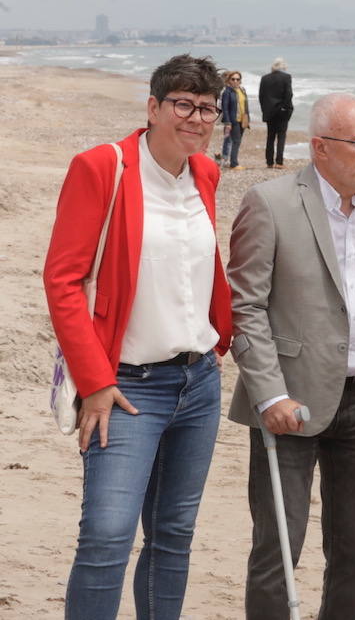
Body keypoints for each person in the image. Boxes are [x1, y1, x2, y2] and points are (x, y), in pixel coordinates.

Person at [43, 53, 232, 619]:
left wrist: (216, 342)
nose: (196, 118)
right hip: (125, 389)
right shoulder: (103, 167)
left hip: (197, 384)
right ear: (152, 107)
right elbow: (63, 279)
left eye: (207, 108)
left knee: (173, 535)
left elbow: (196, 269)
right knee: (106, 536)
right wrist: (95, 382)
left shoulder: (206, 173)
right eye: (182, 104)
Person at [227, 92, 355, 620]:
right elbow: (244, 308)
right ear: (319, 148)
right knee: (278, 550)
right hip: (288, 403)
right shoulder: (270, 203)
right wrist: (269, 393)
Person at [259, 57, 293, 169]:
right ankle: (279, 162)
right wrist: (286, 109)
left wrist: (264, 109)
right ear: (283, 67)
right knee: (281, 137)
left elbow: (261, 96)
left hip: (269, 112)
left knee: (270, 137)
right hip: (282, 112)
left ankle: (269, 162)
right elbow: (288, 95)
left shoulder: (265, 78)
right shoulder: (286, 77)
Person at [218, 70, 250, 170]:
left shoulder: (242, 90)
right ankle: (234, 163)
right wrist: (227, 122)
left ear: (240, 80)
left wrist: (248, 119)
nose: (235, 81)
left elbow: (245, 105)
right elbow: (225, 108)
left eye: (238, 79)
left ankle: (231, 161)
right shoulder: (227, 92)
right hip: (233, 120)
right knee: (236, 141)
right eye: (233, 79)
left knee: (237, 141)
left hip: (243, 120)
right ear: (229, 80)